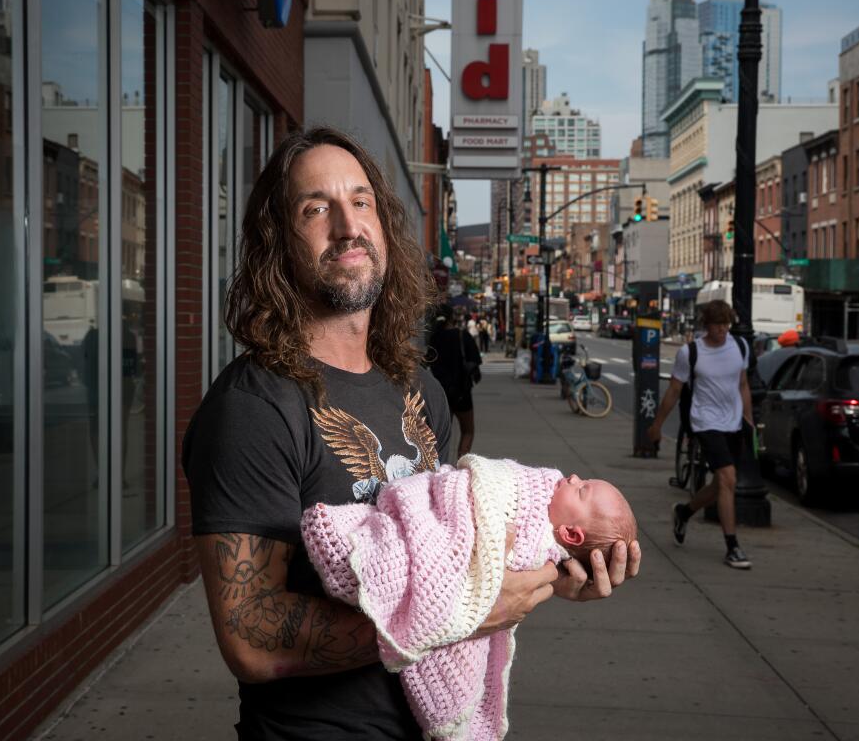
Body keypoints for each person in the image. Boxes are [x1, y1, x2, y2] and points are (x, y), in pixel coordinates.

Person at [183, 126, 641, 740]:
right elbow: (251, 637)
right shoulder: (254, 405)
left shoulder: (419, 391)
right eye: (316, 208)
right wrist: (466, 613)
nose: (348, 225)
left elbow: (458, 555)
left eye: (361, 201)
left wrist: (556, 571)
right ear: (277, 244)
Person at [301, 456, 637, 740]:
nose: (574, 477)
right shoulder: (535, 486)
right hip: (323, 724)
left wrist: (546, 580)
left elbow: (493, 570)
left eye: (582, 490)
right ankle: (362, 553)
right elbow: (471, 489)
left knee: (448, 632)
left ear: (570, 534)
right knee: (392, 557)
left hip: (387, 713)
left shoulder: (541, 546)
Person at [647, 300, 754, 569]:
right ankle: (733, 547)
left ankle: (684, 512)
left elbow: (743, 385)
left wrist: (749, 421)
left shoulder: (740, 346)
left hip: (734, 423)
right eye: (717, 325)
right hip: (705, 422)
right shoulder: (690, 352)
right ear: (706, 325)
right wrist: (657, 425)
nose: (722, 330)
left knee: (721, 485)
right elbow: (673, 391)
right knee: (728, 478)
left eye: (726, 324)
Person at [428, 309, 482, 459]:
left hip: (440, 393)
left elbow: (427, 363)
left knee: (440, 434)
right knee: (468, 431)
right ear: (452, 319)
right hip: (461, 392)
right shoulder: (462, 335)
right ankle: (460, 467)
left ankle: (439, 466)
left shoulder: (434, 339)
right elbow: (476, 360)